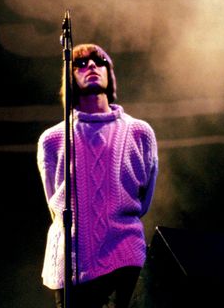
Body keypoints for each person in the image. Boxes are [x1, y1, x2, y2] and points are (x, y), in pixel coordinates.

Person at [37, 43, 159, 308]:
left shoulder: (140, 133)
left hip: (124, 257)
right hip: (71, 265)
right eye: (80, 64)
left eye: (99, 61)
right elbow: (54, 202)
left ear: (109, 72)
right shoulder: (53, 139)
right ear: (70, 77)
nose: (91, 66)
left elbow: (144, 199)